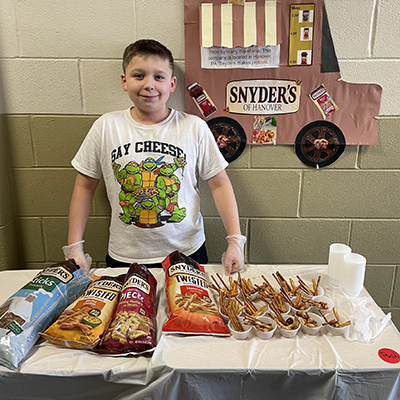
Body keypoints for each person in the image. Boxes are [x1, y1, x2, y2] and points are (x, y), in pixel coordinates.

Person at [62, 39, 246, 275]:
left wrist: (235, 241)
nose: (149, 85)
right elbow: (84, 186)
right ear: (124, 81)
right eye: (139, 75)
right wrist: (74, 247)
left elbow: (219, 184)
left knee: (191, 312)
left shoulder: (194, 127)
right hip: (125, 255)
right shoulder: (106, 127)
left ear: (172, 84)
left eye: (158, 77)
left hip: (187, 252)